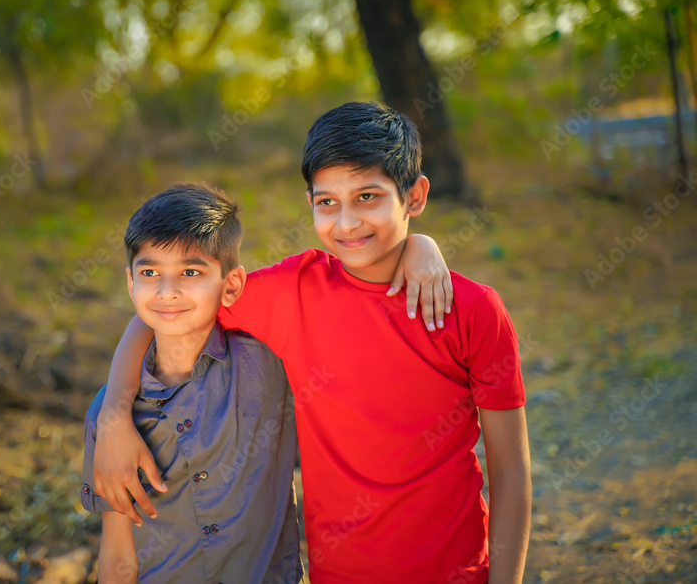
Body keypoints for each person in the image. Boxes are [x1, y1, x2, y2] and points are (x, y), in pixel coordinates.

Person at [94, 102, 531, 584]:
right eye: (328, 202)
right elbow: (169, 310)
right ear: (311, 204)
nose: (346, 223)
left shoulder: (473, 310)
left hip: (455, 571)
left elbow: (510, 472)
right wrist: (114, 415)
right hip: (338, 573)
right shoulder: (293, 291)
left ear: (415, 196)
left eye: (368, 197)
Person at [80, 183, 304, 583]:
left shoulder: (269, 365)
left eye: (190, 272)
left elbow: (352, 287)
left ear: (231, 284)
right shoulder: (109, 416)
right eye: (150, 273)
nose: (168, 292)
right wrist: (115, 412)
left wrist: (417, 247)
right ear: (131, 283)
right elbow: (118, 555)